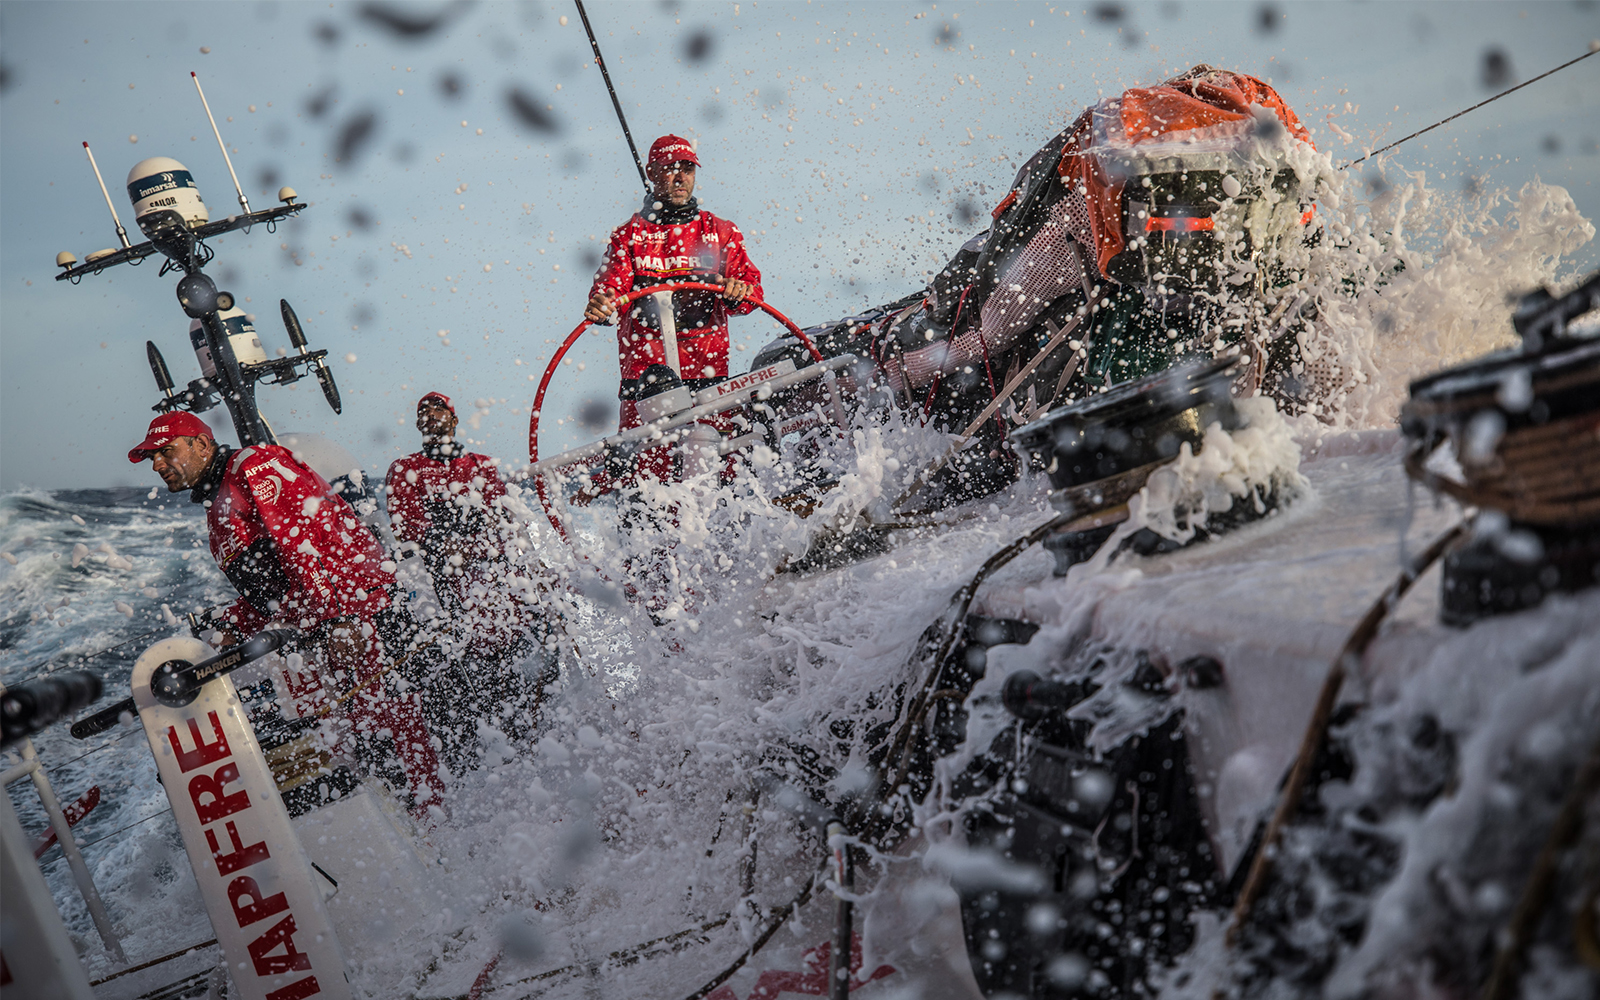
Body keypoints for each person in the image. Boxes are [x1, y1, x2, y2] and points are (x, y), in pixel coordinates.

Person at [129, 411, 446, 816]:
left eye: (165, 452)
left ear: (202, 445)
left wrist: (337, 620)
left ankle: (442, 839)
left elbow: (300, 543)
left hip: (363, 619)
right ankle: (409, 835)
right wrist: (232, 624)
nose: (157, 465)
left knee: (400, 739)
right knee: (370, 748)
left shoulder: (253, 467)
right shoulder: (217, 505)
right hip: (334, 629)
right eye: (152, 457)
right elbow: (276, 589)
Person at [385, 392, 551, 761]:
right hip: (443, 585)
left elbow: (502, 518)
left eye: (437, 408)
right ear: (417, 425)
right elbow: (409, 528)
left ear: (454, 418)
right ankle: (488, 749)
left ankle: (539, 731)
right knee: (472, 670)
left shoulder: (481, 465)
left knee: (524, 651)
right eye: (422, 411)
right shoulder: (405, 469)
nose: (430, 415)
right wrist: (459, 531)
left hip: (494, 578)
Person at [584, 134, 765, 432]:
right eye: (670, 169)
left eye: (688, 169)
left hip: (710, 382)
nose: (680, 178)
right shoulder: (628, 236)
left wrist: (738, 292)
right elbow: (608, 294)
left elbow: (751, 293)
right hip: (644, 386)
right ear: (651, 173)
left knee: (721, 463)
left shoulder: (721, 232)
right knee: (641, 473)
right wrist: (602, 305)